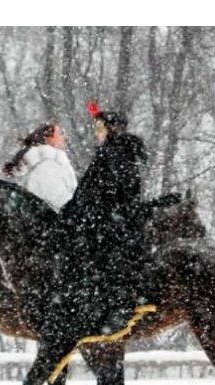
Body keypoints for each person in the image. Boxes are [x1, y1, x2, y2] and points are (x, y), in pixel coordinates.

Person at [57, 102, 152, 336]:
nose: (96, 133)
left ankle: (118, 306)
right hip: (98, 218)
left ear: (111, 129)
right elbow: (87, 191)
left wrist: (92, 211)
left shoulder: (117, 153)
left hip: (112, 222)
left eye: (100, 128)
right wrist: (71, 211)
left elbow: (118, 192)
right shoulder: (107, 153)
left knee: (105, 256)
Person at [4, 122, 77, 213]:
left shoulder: (43, 164)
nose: (65, 137)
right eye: (60, 133)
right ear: (47, 138)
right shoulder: (46, 166)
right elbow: (61, 202)